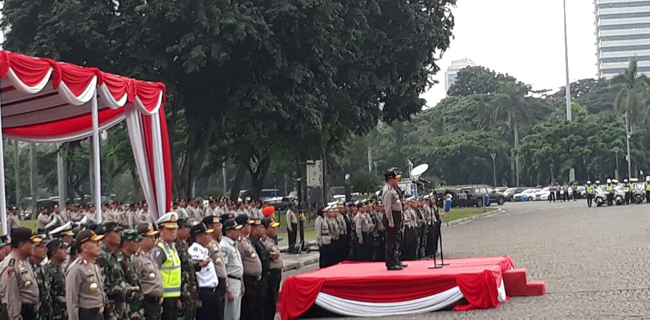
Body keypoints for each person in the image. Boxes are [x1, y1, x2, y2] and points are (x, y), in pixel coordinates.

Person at [0, 228, 41, 320]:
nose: (34, 246)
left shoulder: (24, 260)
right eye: (31, 243)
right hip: (20, 314)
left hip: (30, 313)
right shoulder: (10, 266)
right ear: (22, 245)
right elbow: (11, 298)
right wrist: (16, 317)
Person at [65, 230, 105, 320]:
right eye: (95, 242)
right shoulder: (76, 268)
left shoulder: (93, 265)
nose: (98, 245)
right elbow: (72, 301)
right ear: (85, 247)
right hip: (86, 314)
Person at [152, 212, 182, 320]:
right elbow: (155, 273)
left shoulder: (172, 247)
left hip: (174, 296)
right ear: (160, 231)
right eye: (169, 229)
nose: (173, 232)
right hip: (164, 298)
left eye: (175, 229)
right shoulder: (159, 250)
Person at [95, 222, 128, 319]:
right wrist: (110, 314)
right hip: (111, 309)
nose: (120, 235)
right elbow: (102, 288)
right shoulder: (101, 256)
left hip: (119, 307)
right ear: (107, 236)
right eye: (116, 232)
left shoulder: (111, 254)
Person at [189, 223, 219, 320]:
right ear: (198, 237)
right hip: (204, 292)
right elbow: (196, 273)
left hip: (212, 291)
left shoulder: (204, 249)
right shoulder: (194, 251)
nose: (209, 237)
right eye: (206, 235)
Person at [133, 223, 163, 320]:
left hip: (156, 303)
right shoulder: (137, 258)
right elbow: (137, 281)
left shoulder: (150, 255)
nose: (153, 239)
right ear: (140, 239)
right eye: (150, 237)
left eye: (154, 236)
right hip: (147, 302)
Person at [235, 214, 261, 320]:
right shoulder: (239, 242)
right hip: (247, 279)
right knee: (247, 309)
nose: (250, 227)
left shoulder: (245, 240)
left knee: (254, 308)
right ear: (242, 226)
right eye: (248, 225)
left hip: (254, 279)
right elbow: (240, 261)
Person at [174, 218, 200, 320]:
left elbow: (189, 267)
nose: (188, 231)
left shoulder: (184, 245)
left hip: (190, 293)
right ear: (178, 229)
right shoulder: (175, 246)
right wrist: (178, 298)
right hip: (182, 293)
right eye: (186, 228)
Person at [203, 216, 227, 320]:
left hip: (221, 282)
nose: (220, 227)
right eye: (217, 225)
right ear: (210, 227)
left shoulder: (216, 242)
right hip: (215, 283)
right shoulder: (207, 245)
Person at [220, 219, 244, 320]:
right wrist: (228, 290)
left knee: (236, 314)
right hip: (231, 281)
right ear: (228, 232)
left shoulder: (233, 244)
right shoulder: (224, 246)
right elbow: (223, 269)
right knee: (230, 314)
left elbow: (238, 266)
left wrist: (242, 284)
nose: (238, 232)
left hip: (237, 281)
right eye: (235, 230)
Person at [382, 169, 406, 270]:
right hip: (391, 216)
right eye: (395, 179)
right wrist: (391, 221)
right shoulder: (388, 191)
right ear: (390, 179)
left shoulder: (393, 189)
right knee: (390, 241)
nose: (397, 181)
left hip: (396, 215)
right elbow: (387, 208)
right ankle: (390, 263)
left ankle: (395, 260)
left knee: (395, 240)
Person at [119, 229, 145, 320]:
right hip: (128, 309)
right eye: (136, 241)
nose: (138, 244)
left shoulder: (129, 259)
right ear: (126, 244)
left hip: (136, 307)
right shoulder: (120, 261)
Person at [249, 219, 270, 320]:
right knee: (257, 306)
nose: (263, 229)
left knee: (263, 304)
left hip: (264, 276)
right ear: (253, 229)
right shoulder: (251, 242)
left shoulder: (259, 241)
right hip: (258, 279)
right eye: (260, 227)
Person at [261, 217, 282, 320]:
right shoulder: (264, 241)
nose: (275, 229)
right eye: (272, 227)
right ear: (265, 229)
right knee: (270, 299)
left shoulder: (271, 240)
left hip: (276, 271)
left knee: (274, 298)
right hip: (271, 272)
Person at [44, 239, 68, 320]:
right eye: (61, 248)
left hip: (63, 312)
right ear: (54, 253)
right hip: (55, 313)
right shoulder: (47, 270)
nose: (65, 251)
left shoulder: (60, 268)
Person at [28, 235, 50, 320]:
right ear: (33, 249)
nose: (46, 249)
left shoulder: (41, 268)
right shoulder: (27, 269)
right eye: (42, 247)